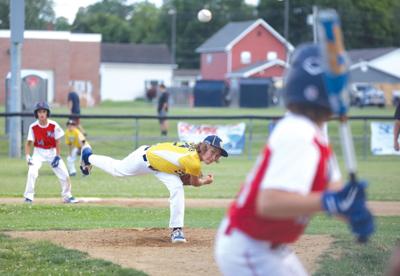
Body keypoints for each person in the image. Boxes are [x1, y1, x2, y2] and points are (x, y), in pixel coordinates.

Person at [214, 43, 374, 276]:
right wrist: (331, 202)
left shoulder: (314, 135)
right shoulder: (297, 133)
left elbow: (333, 192)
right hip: (250, 247)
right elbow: (269, 202)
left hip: (270, 248)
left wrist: (352, 210)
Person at [79, 135, 228, 243]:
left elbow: (183, 179)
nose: (214, 157)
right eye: (212, 152)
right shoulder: (193, 161)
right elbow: (194, 183)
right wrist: (204, 181)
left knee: (176, 187)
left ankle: (177, 230)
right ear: (203, 147)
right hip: (144, 159)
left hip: (162, 167)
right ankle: (88, 157)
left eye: (217, 156)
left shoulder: (193, 153)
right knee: (117, 170)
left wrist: (192, 177)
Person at [23, 102, 79, 204]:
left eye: (44, 111)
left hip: (52, 152)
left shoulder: (54, 125)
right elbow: (28, 143)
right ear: (36, 114)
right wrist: (27, 156)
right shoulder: (33, 127)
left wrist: (57, 156)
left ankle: (67, 196)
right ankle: (28, 197)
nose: (42, 114)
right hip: (38, 153)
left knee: (65, 174)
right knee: (32, 172)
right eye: (39, 112)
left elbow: (58, 141)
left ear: (47, 113)